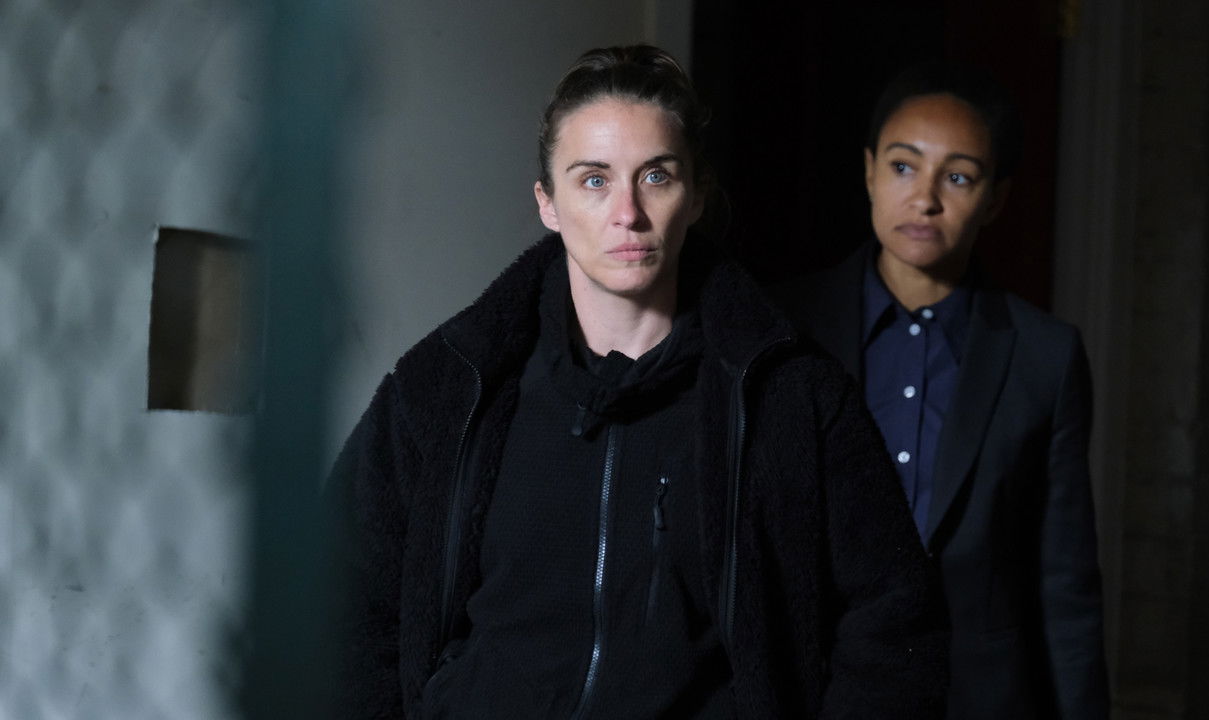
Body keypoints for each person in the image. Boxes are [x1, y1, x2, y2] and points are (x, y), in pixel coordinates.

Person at [329, 45, 947, 719]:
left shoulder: (789, 396)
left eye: (655, 176)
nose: (627, 212)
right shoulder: (448, 387)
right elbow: (337, 597)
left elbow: (895, 619)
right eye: (594, 180)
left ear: (696, 195)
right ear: (548, 203)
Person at [771, 63, 1109, 719]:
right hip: (819, 685)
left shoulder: (1045, 355)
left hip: (978, 694)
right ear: (869, 172)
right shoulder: (786, 325)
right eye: (903, 167)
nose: (924, 198)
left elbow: (1065, 577)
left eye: (957, 177)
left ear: (995, 199)